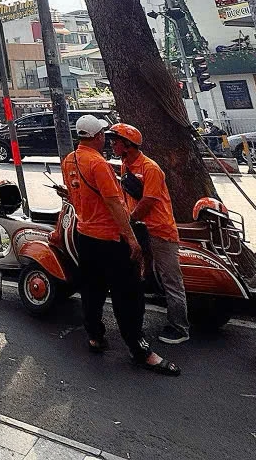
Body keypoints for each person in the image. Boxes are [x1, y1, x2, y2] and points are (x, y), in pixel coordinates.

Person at [62, 115, 179, 376]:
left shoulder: (69, 160)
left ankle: (95, 336)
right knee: (128, 295)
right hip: (111, 239)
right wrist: (131, 238)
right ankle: (140, 350)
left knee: (92, 290)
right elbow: (115, 204)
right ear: (98, 137)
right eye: (107, 136)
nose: (110, 141)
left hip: (85, 236)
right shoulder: (99, 164)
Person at [111, 123, 189, 344]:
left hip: (159, 230)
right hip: (141, 230)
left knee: (171, 280)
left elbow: (149, 201)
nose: (113, 145)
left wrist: (129, 219)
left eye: (116, 142)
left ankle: (180, 327)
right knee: (144, 274)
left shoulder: (150, 168)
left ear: (128, 145)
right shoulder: (126, 165)